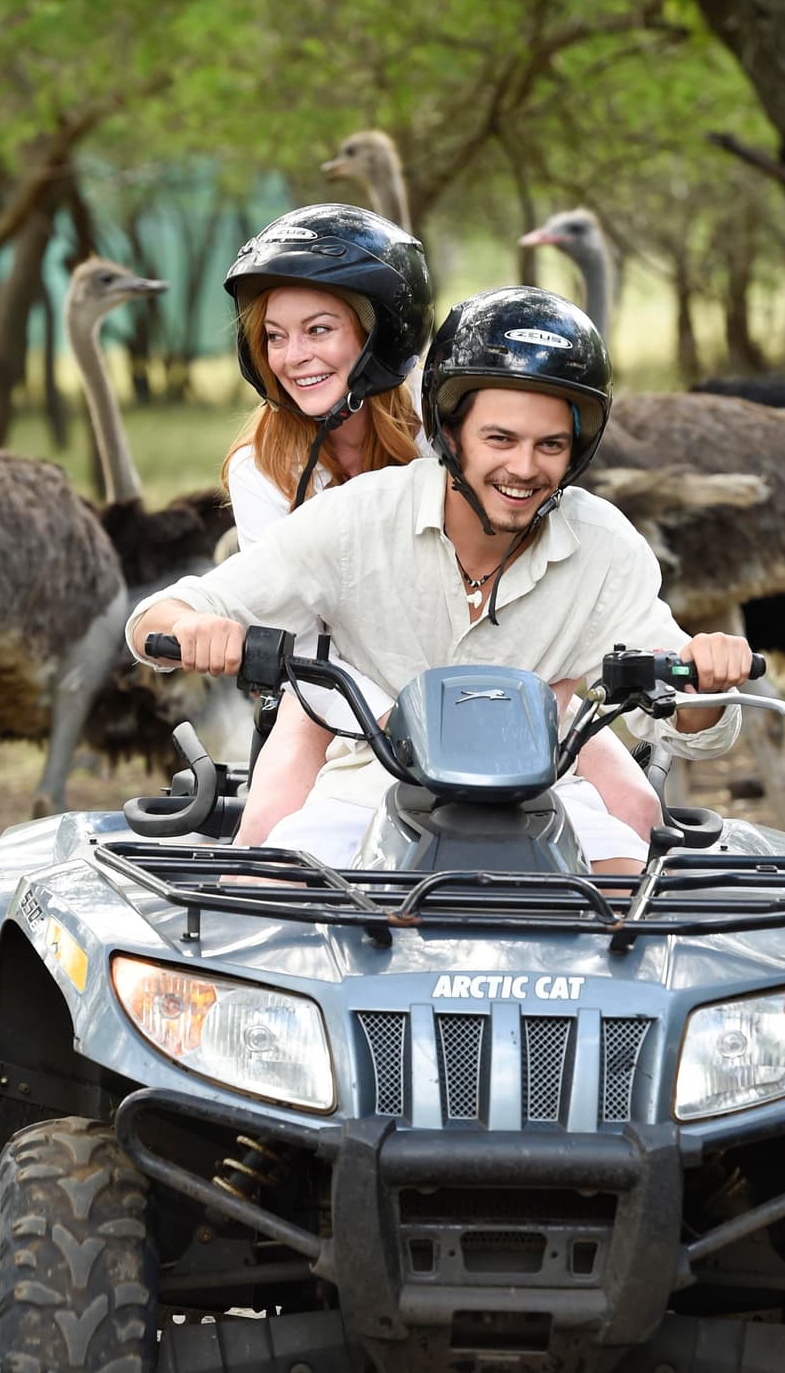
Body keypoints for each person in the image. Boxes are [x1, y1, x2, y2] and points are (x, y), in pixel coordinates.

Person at [131, 285, 751, 873]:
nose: (524, 468)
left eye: (551, 445)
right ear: (448, 433)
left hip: (551, 799)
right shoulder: (356, 518)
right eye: (500, 439)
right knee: (268, 901)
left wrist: (705, 679)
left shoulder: (606, 546)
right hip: (368, 790)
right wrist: (195, 627)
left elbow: (682, 720)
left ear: (578, 448)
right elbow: (164, 615)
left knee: (626, 907)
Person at [220, 203, 434, 844]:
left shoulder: (445, 425)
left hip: (481, 668)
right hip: (338, 680)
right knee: (262, 834)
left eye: (318, 329)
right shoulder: (260, 468)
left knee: (623, 809)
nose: (293, 357)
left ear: (380, 333)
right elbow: (295, 627)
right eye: (275, 337)